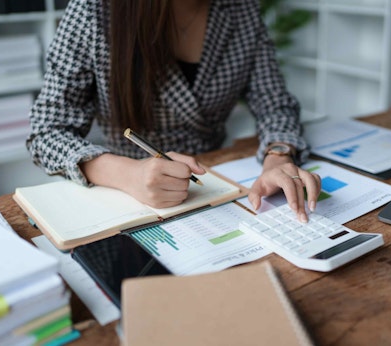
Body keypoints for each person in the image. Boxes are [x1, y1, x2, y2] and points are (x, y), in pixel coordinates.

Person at [27, 0, 321, 222]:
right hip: (124, 191)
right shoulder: (94, 10)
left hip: (214, 178)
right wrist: (128, 174)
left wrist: (278, 156)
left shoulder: (239, 7)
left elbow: (274, 101)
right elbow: (47, 131)